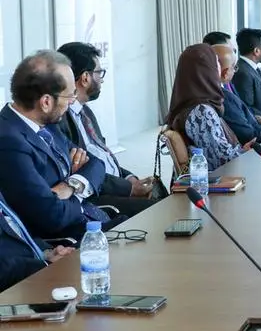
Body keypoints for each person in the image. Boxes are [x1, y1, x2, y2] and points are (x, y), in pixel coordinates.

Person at [0, 50, 120, 240]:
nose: (72, 102)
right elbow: (52, 215)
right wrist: (79, 193)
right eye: (69, 96)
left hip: (92, 221)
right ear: (46, 102)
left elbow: (96, 163)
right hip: (68, 242)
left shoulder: (47, 125)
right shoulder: (9, 142)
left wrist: (71, 185)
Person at [55, 42, 157, 218]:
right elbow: (87, 168)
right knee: (157, 209)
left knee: (161, 195)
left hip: (116, 185)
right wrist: (129, 188)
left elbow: (105, 156)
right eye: (99, 73)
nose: (101, 79)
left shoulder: (85, 112)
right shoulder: (60, 120)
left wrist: (129, 178)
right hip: (96, 196)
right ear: (85, 78)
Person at [165, 44, 255, 171]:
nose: (219, 66)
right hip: (217, 179)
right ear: (206, 69)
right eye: (216, 61)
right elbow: (222, 161)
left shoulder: (188, 101)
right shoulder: (201, 112)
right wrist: (245, 151)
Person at [0, 191, 74, 292]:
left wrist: (46, 253)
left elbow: (16, 229)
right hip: (16, 289)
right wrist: (44, 265)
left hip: (38, 271)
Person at [212, 44, 261, 144]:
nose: (235, 71)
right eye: (234, 67)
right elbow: (249, 136)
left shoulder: (221, 88)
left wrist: (259, 120)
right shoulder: (224, 97)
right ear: (225, 73)